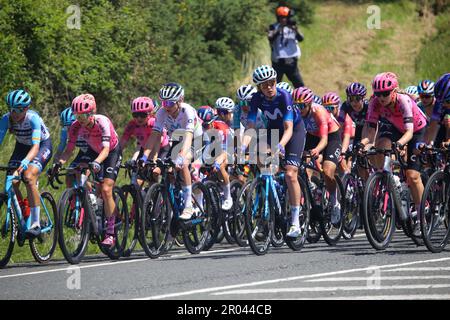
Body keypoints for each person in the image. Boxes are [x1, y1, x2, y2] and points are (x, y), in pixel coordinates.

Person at [241, 65, 307, 238]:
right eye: (264, 85)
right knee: (263, 167)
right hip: (272, 131)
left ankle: (295, 222)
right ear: (259, 88)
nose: (269, 87)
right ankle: (267, 215)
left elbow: (289, 128)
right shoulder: (256, 99)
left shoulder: (284, 96)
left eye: (272, 83)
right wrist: (241, 148)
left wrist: (280, 147)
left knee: (290, 174)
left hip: (293, 131)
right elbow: (250, 126)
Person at [360, 72, 428, 235]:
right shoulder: (374, 103)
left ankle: (421, 215)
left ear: (394, 91)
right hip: (394, 127)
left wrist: (399, 144)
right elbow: (370, 131)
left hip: (416, 130)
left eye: (385, 93)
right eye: (378, 94)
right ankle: (388, 178)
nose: (381, 97)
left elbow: (409, 132)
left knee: (412, 175)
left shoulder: (403, 101)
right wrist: (362, 144)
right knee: (380, 146)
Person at [58, 93, 122, 248]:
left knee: (106, 189)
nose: (80, 120)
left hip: (111, 152)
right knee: (76, 173)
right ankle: (90, 210)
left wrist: (95, 163)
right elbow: (69, 150)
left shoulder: (103, 122)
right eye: (77, 116)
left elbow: (106, 150)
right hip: (93, 150)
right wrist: (58, 163)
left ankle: (111, 232)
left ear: (91, 113)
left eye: (83, 116)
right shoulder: (75, 126)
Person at [140, 83, 203, 220]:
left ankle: (188, 206)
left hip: (194, 139)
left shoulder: (188, 111)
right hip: (176, 140)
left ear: (180, 101)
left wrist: (181, 156)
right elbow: (155, 135)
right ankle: (172, 204)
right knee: (167, 170)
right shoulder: (161, 112)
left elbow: (188, 136)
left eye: (170, 102)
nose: (166, 106)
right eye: (164, 102)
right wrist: (144, 157)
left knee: (184, 162)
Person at [0, 89, 53, 237]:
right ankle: (24, 209)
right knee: (11, 180)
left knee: (29, 176)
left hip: (41, 146)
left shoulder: (33, 118)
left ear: (26, 108)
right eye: (11, 109)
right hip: (22, 147)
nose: (14, 113)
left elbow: (36, 147)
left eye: (18, 110)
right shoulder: (6, 119)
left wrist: (25, 162)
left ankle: (36, 223)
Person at [293, 87, 342, 226]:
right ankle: (310, 189)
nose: (299, 109)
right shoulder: (295, 113)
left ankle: (334, 202)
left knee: (327, 171)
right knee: (302, 165)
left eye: (302, 106)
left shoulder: (319, 111)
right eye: (296, 105)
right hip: (312, 136)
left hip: (331, 137)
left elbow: (324, 140)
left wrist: (316, 150)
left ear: (309, 104)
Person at [198, 98, 235, 210]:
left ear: (212, 123)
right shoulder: (200, 129)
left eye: (206, 126)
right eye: (202, 126)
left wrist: (217, 163)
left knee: (220, 166)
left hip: (228, 149)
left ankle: (228, 196)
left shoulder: (222, 129)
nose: (205, 129)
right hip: (212, 150)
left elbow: (225, 152)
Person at [120, 97, 169, 164]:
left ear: (150, 114)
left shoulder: (154, 122)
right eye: (135, 115)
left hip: (161, 148)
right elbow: (123, 141)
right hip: (145, 149)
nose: (139, 118)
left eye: (143, 115)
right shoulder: (132, 124)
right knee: (137, 169)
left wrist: (152, 158)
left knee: (156, 171)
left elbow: (159, 140)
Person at [52, 107, 90, 187]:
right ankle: (72, 198)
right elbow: (61, 150)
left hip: (95, 151)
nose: (69, 129)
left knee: (85, 177)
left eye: (71, 126)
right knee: (69, 176)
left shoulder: (86, 127)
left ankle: (93, 196)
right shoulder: (65, 131)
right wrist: (55, 165)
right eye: (66, 127)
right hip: (83, 152)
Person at [268, 6, 305, 88]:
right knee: (274, 85)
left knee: (300, 85)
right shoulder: (273, 27)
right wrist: (280, 28)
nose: (283, 19)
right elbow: (270, 38)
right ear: (277, 17)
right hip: (278, 62)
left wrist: (295, 29)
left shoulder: (293, 27)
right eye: (281, 17)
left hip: (291, 62)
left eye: (285, 17)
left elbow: (301, 38)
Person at [322, 92, 353, 173]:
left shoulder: (344, 117)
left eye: (331, 108)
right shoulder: (324, 117)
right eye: (325, 108)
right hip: (335, 140)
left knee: (341, 160)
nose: (328, 111)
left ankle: (347, 177)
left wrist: (342, 153)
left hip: (349, 140)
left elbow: (347, 136)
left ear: (337, 107)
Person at [426, 74, 450, 147]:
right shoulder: (440, 102)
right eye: (441, 101)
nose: (444, 104)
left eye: (448, 101)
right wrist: (430, 144)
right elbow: (433, 124)